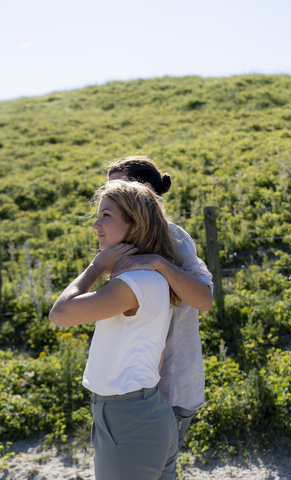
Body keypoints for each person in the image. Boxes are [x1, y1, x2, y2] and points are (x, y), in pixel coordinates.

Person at [49, 179, 182, 480]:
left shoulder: (134, 284)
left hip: (128, 420)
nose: (96, 224)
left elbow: (60, 314)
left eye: (106, 215)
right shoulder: (149, 279)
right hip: (144, 414)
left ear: (134, 225)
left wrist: (95, 267)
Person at [107, 156, 213, 459]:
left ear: (146, 192)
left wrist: (157, 262)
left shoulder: (174, 238)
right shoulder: (122, 238)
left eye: (117, 187)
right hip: (131, 391)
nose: (109, 195)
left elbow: (204, 299)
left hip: (171, 391)